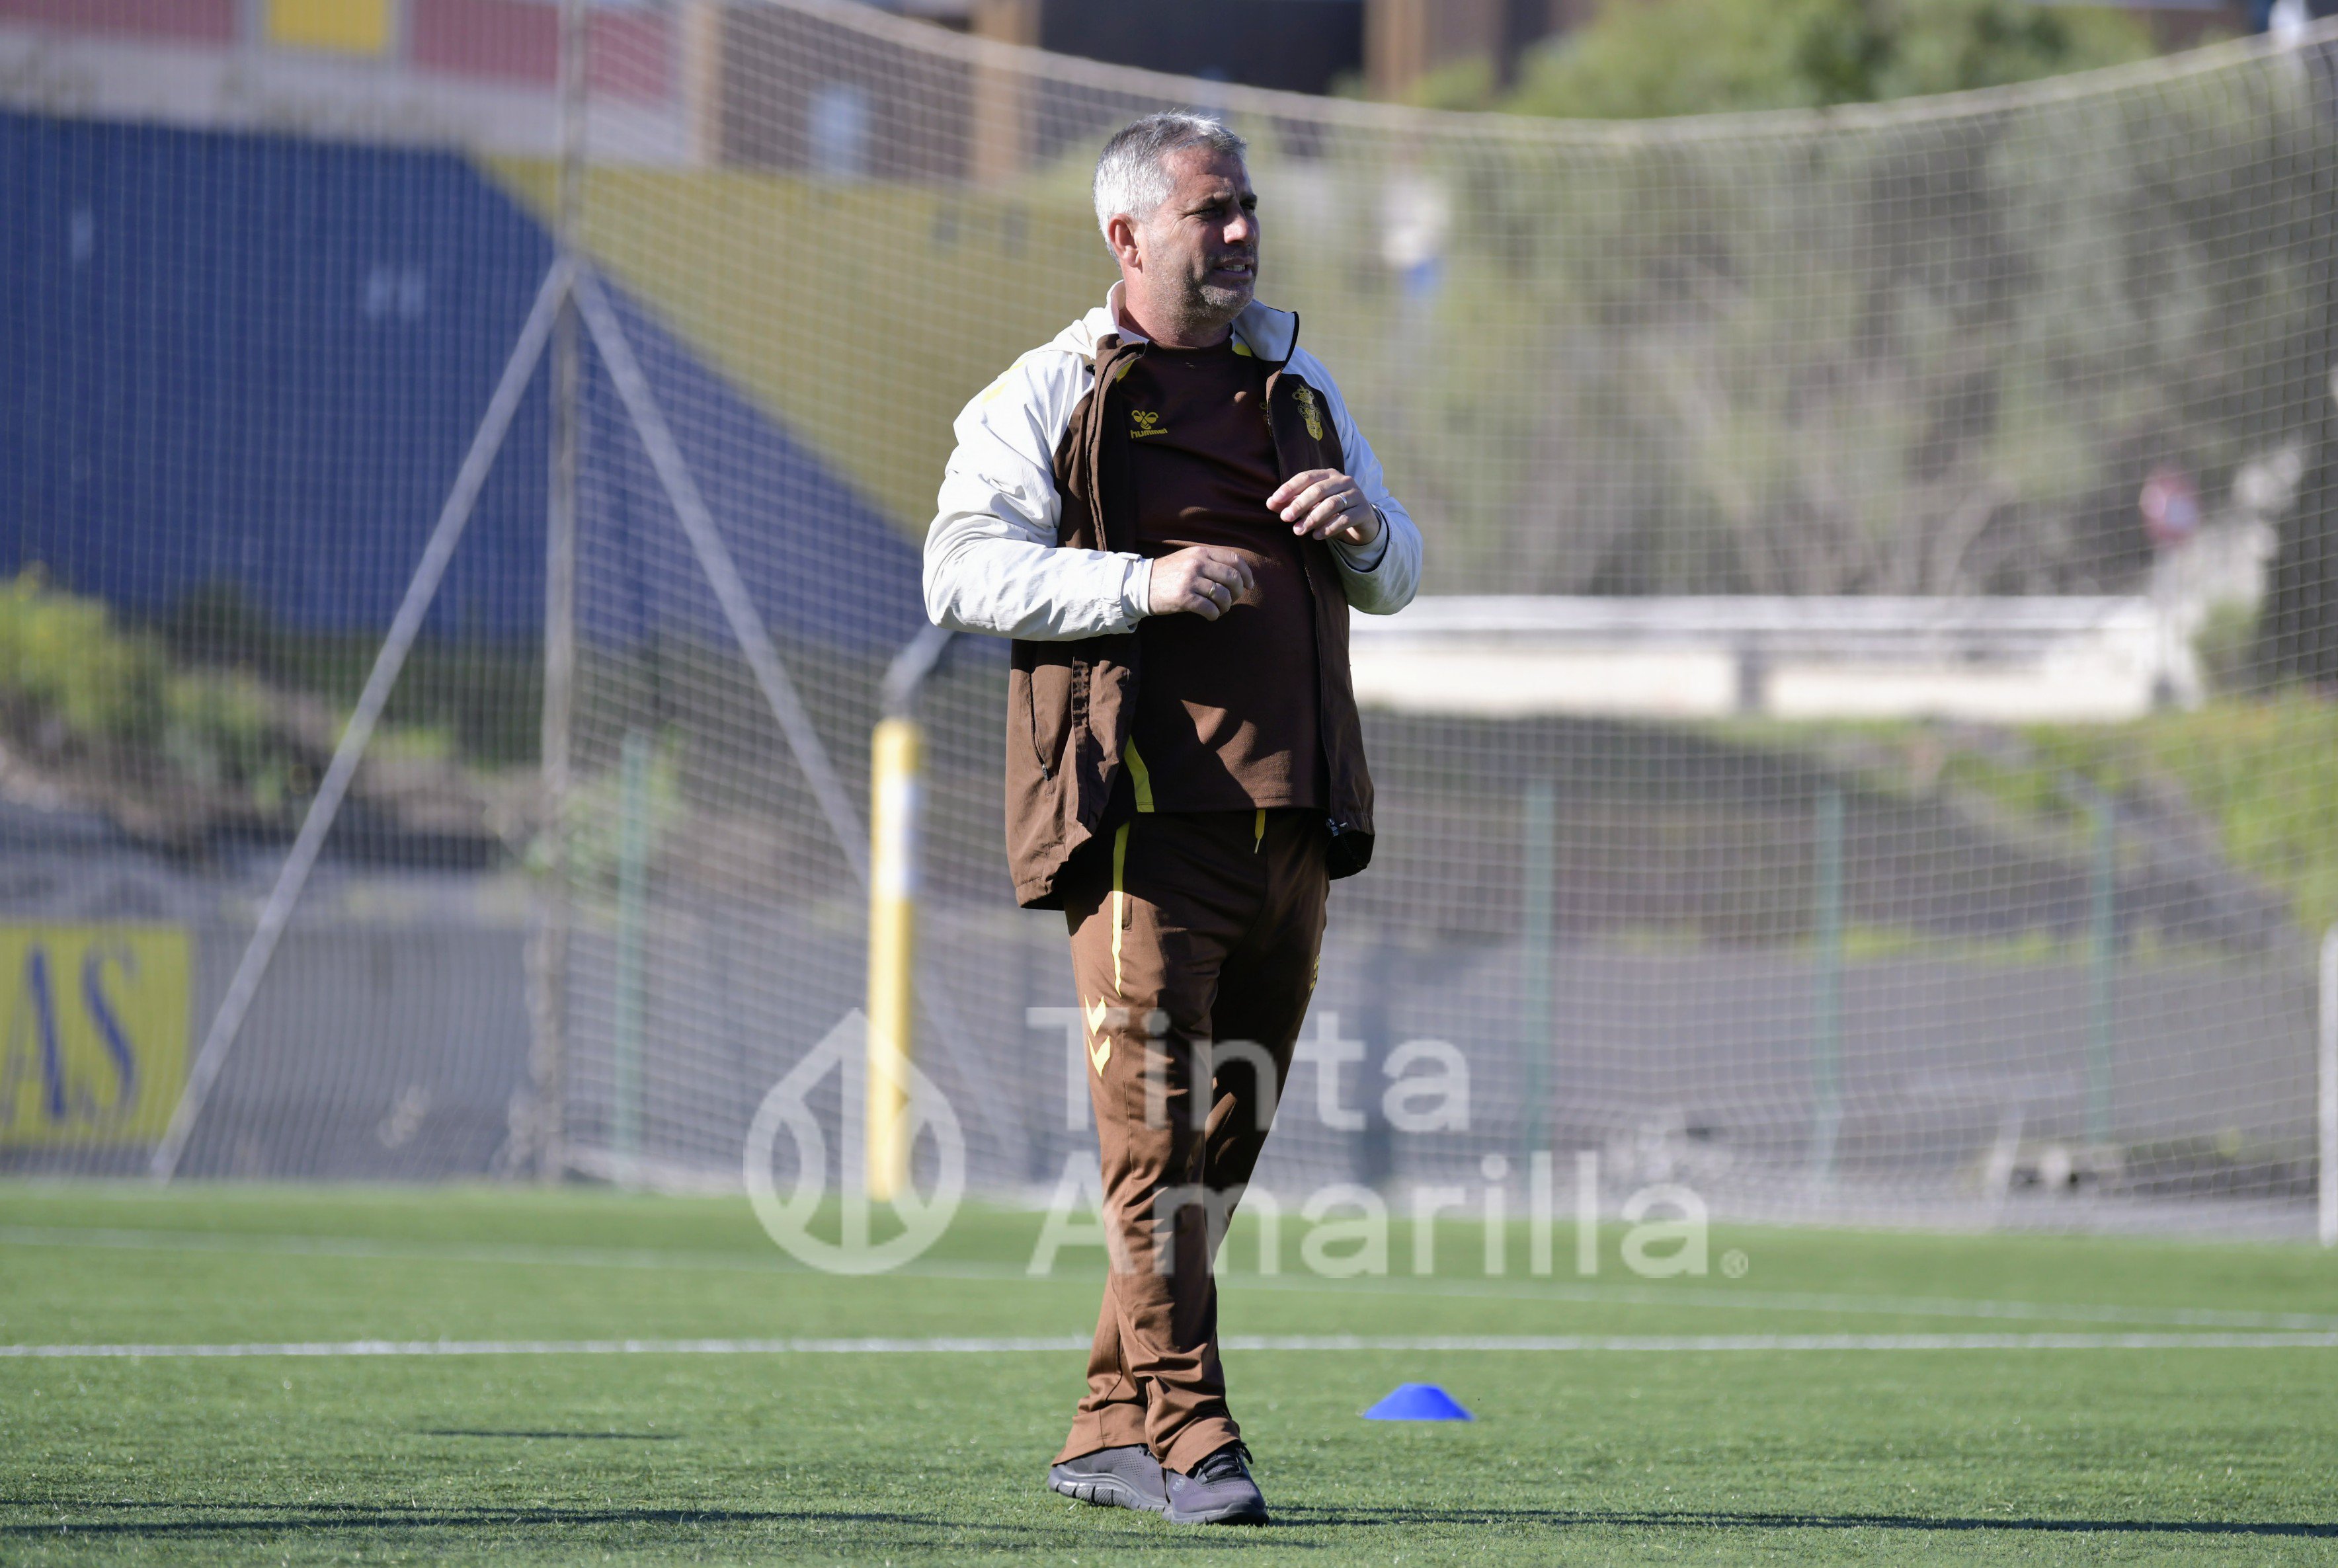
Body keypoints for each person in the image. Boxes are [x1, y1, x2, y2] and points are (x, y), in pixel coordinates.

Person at [923, 110, 1420, 1527]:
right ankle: (1196, 1436)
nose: (1244, 232)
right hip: (1146, 823)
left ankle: (1102, 1421)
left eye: (1249, 206)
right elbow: (958, 571)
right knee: (1150, 1141)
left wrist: (1367, 530)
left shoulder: (1297, 379)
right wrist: (1139, 584)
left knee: (1219, 1139)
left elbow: (1401, 571)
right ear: (1126, 236)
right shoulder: (1048, 389)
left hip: (1298, 821)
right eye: (1214, 212)